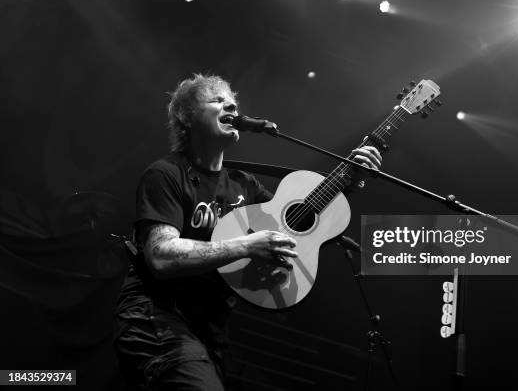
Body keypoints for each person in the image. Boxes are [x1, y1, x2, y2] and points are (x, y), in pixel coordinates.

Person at [114, 73, 382, 390]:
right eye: (216, 99)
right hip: (155, 317)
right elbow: (160, 256)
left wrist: (348, 181)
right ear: (186, 116)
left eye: (233, 101)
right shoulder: (167, 174)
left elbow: (294, 224)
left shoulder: (243, 184)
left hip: (208, 329)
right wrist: (245, 245)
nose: (230, 103)